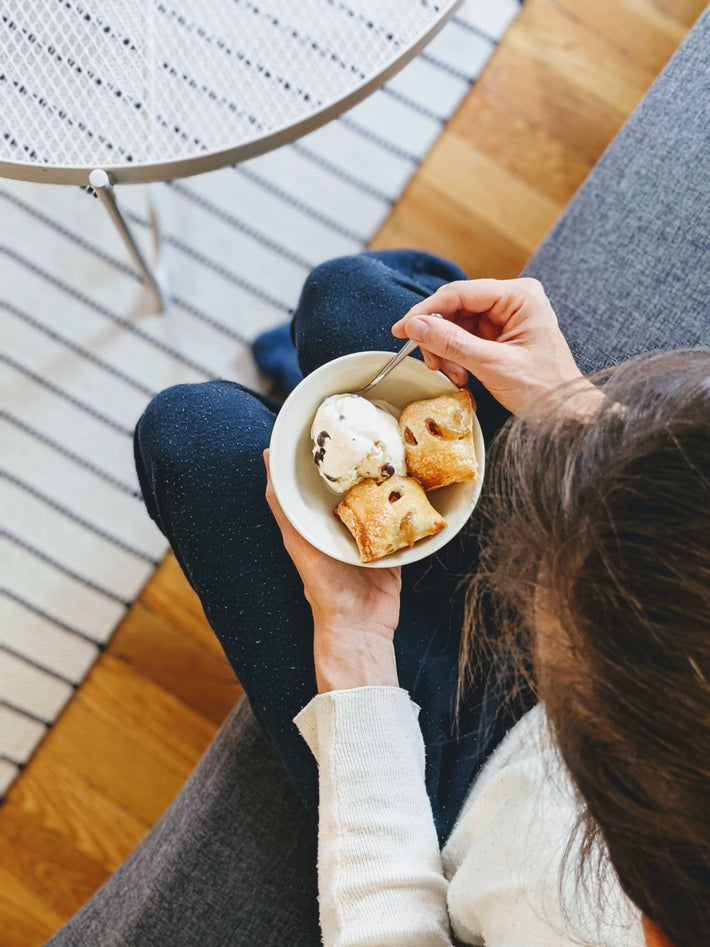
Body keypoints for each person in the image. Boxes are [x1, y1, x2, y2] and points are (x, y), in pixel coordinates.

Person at [128, 250, 708, 947]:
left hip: (457, 801)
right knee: (346, 300)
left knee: (193, 437)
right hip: (632, 637)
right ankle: (304, 400)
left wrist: (353, 642)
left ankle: (287, 401)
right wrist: (583, 419)